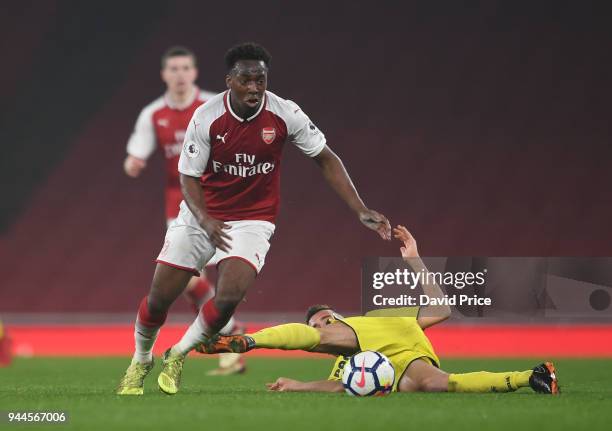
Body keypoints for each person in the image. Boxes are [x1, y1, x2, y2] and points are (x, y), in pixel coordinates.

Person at [116, 42, 391, 395]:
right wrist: (205, 218)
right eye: (246, 80)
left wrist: (360, 208)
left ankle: (178, 354)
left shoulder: (285, 113)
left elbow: (326, 157)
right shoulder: (207, 116)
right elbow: (188, 177)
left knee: (229, 296)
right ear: (229, 80)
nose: (254, 88)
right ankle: (140, 360)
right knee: (159, 298)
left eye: (260, 79)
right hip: (202, 214)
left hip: (253, 219)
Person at [200, 225, 560, 395]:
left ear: (338, 316)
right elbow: (341, 387)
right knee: (439, 385)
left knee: (313, 339)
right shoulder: (344, 361)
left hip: (394, 342)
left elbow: (441, 308)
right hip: (402, 367)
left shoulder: (378, 317)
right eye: (317, 321)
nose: (322, 322)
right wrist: (297, 386)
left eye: (325, 317)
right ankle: (533, 376)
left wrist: (415, 260)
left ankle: (246, 341)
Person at [121, 46, 247, 384]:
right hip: (180, 209)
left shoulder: (213, 106)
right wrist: (133, 162)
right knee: (191, 283)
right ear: (164, 74)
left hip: (223, 203)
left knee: (223, 279)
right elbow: (134, 153)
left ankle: (227, 343)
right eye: (173, 68)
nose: (179, 74)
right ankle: (231, 333)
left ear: (194, 72)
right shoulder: (153, 114)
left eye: (185, 68)